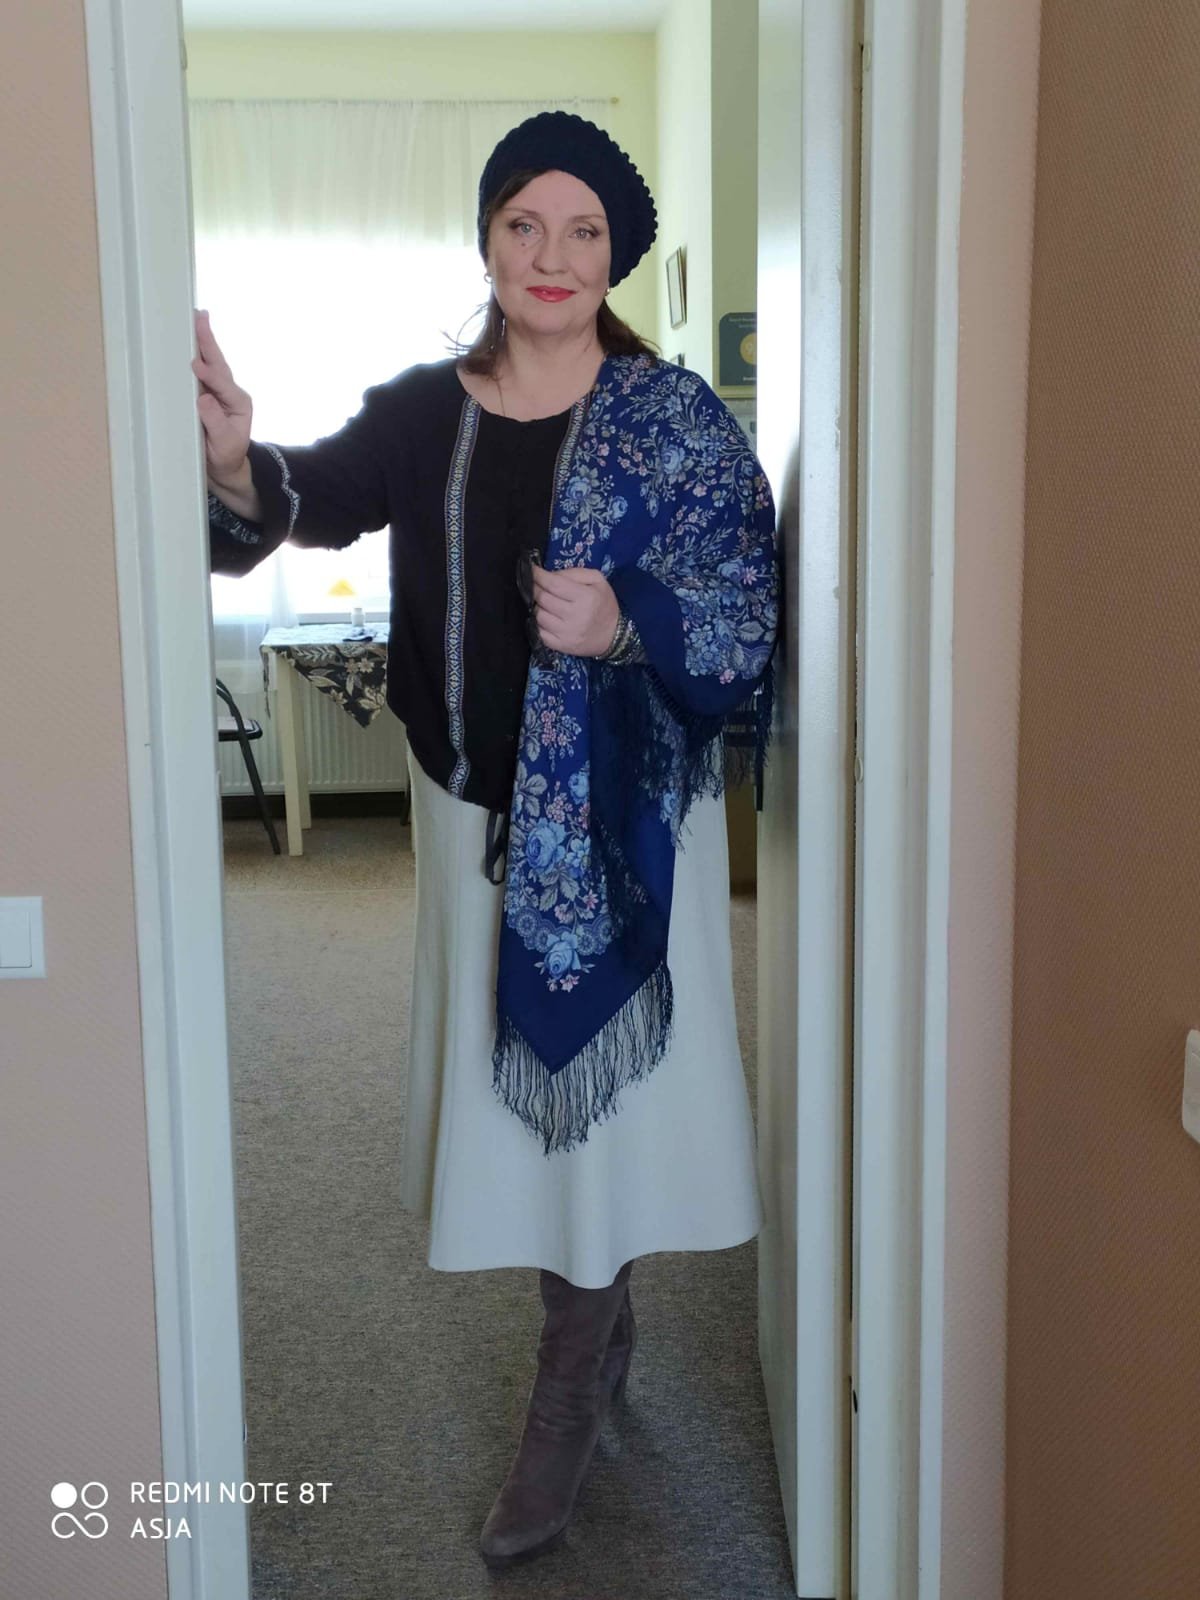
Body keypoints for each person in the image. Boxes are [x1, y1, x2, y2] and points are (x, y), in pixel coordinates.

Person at [199, 110, 778, 1570]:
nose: (552, 256)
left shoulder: (671, 416)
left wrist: (627, 622)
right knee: (518, 1107)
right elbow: (307, 498)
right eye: (527, 224)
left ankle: (567, 1385)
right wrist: (235, 460)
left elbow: (745, 601)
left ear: (615, 257)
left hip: (633, 823)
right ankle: (596, 1323)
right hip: (469, 814)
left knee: (615, 1107)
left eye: (585, 232)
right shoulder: (424, 412)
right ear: (488, 239)